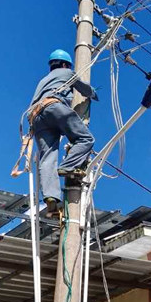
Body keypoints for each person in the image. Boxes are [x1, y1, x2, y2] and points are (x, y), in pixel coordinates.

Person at [28, 49, 99, 218]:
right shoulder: (66, 72)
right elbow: (83, 88)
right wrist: (93, 93)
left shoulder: (44, 80)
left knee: (47, 156)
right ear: (65, 64)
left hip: (35, 117)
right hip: (53, 107)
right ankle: (68, 166)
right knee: (85, 138)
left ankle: (51, 197)